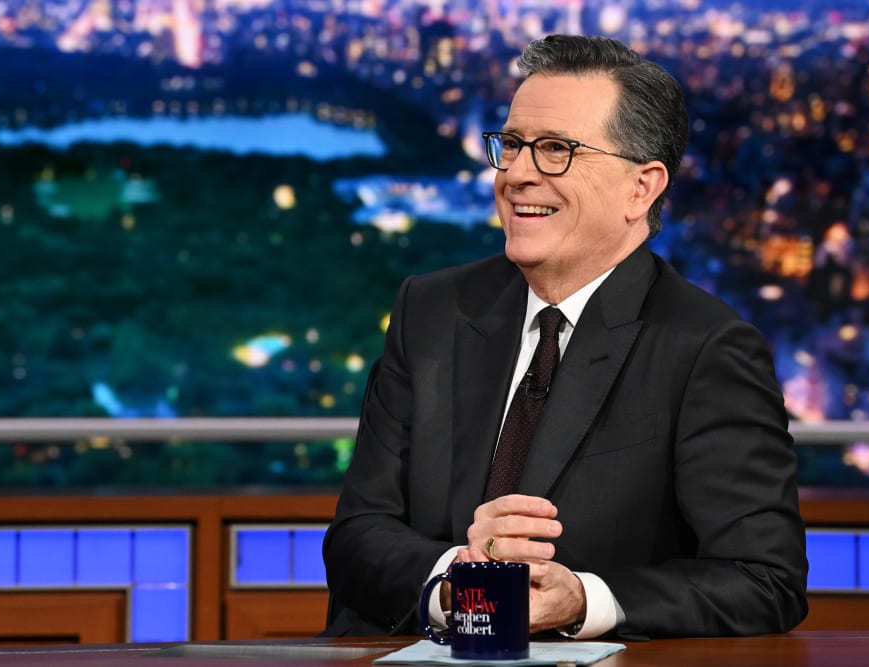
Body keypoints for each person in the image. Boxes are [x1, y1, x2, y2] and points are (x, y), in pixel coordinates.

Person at [323, 34, 808, 640]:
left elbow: (765, 581)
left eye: (556, 150)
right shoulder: (431, 308)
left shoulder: (705, 348)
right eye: (514, 145)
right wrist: (464, 583)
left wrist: (581, 600)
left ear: (642, 187)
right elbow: (357, 537)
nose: (519, 174)